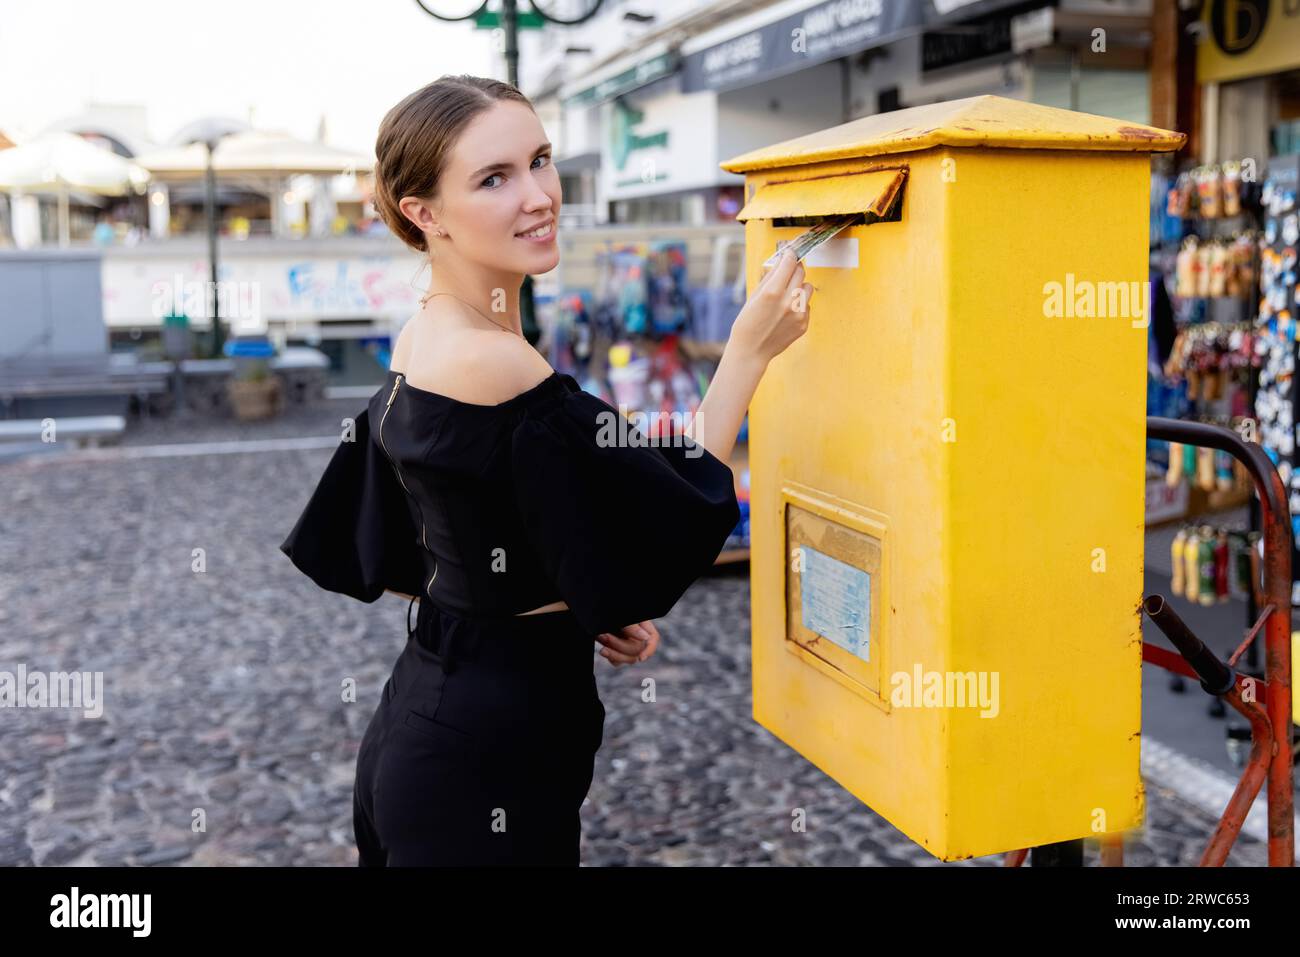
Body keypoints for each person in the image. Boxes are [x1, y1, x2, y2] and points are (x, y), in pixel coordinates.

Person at [279, 74, 813, 866]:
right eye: (494, 178)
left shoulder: (425, 331)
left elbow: (452, 514)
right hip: (480, 758)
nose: (538, 195)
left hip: (436, 716)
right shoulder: (495, 362)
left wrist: (567, 594)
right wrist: (746, 351)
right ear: (423, 213)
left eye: (540, 160)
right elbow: (657, 510)